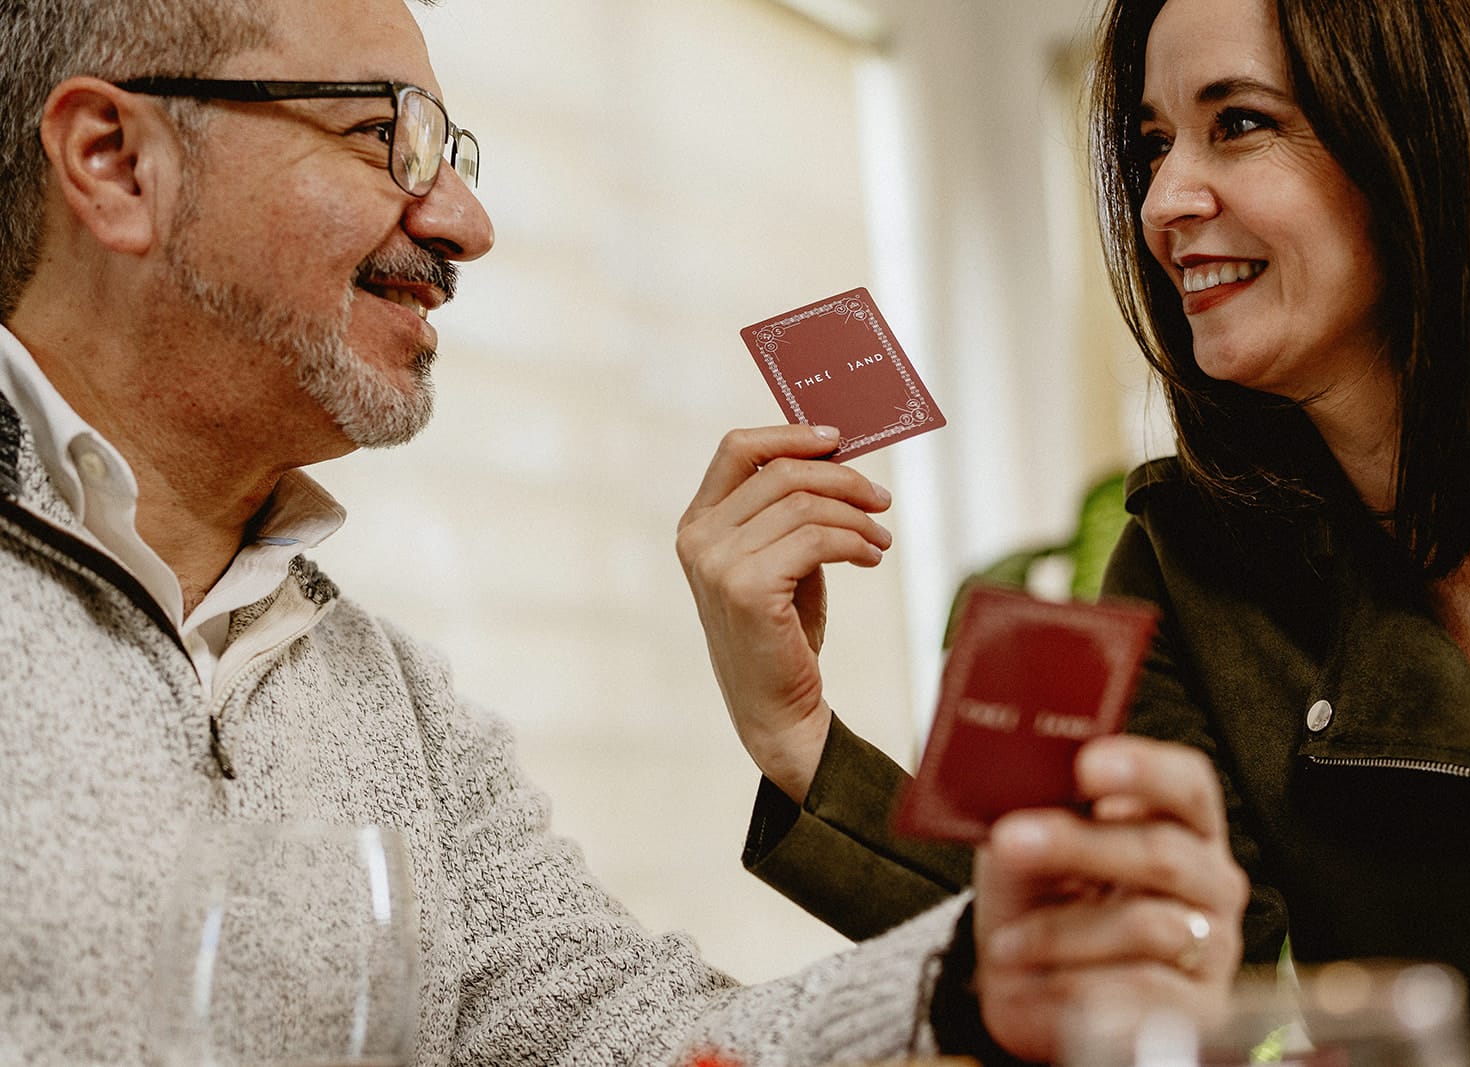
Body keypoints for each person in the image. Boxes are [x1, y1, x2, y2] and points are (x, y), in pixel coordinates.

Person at [0, 0, 1251, 1064]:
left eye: (454, 158)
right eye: (387, 139)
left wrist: (967, 980)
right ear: (117, 162)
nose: (465, 225)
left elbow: (624, 1034)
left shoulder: (389, 697)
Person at [675, 0, 1470, 1064]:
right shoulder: (1192, 559)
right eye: (1153, 143)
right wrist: (798, 740)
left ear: (1440, 128)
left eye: (1239, 122)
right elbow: (1094, 952)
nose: (1163, 200)